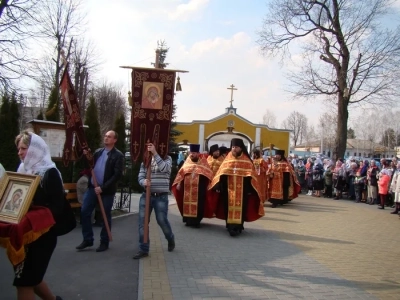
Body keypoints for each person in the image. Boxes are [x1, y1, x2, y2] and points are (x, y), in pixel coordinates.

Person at [13, 131, 64, 300]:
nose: (19, 152)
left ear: (35, 149)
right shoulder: (22, 171)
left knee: (25, 281)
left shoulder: (49, 173)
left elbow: (58, 208)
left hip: (43, 236)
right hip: (24, 234)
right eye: (18, 149)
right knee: (31, 279)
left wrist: (33, 215)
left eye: (24, 148)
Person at [76, 130, 124, 252]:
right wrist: (86, 156)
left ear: (114, 140)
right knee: (85, 211)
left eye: (109, 137)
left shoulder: (118, 155)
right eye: (106, 136)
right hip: (93, 187)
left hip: (106, 190)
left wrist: (103, 188)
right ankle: (88, 239)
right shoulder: (98, 152)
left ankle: (104, 241)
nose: (106, 138)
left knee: (105, 215)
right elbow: (88, 167)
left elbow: (117, 175)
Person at [210, 138, 264, 237]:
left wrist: (250, 190)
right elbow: (221, 174)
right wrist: (218, 185)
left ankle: (239, 226)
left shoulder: (246, 161)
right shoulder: (227, 159)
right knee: (227, 207)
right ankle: (229, 225)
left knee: (242, 208)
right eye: (233, 147)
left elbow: (252, 177)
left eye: (236, 147)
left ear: (241, 148)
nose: (234, 149)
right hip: (228, 190)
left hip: (243, 191)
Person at [132, 142, 175, 259]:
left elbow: (164, 169)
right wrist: (143, 182)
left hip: (161, 196)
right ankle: (143, 249)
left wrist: (155, 153)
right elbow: (140, 176)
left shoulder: (168, 159)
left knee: (161, 220)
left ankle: (170, 238)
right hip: (146, 195)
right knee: (143, 223)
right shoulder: (146, 160)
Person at [172, 144, 215, 227]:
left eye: (194, 153)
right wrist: (179, 183)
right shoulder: (186, 163)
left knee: (199, 204)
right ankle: (188, 220)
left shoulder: (203, 163)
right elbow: (181, 174)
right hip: (187, 188)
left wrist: (209, 184)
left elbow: (209, 174)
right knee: (187, 203)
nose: (192, 154)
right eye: (191, 153)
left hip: (200, 188)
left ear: (198, 153)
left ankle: (196, 221)